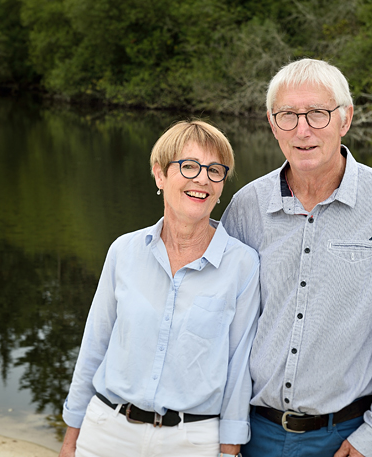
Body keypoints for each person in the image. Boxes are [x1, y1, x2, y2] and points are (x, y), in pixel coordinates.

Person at [220, 58, 372, 457]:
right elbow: (219, 321)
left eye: (318, 114)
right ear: (272, 123)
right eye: (288, 115)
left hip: (344, 438)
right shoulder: (246, 206)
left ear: (345, 118)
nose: (302, 130)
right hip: (248, 434)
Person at [59, 120, 260, 457]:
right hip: (107, 432)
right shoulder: (124, 251)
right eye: (189, 166)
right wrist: (70, 439)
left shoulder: (242, 265)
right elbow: (94, 347)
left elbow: (239, 372)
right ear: (160, 175)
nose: (202, 179)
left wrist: (229, 451)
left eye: (215, 170)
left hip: (192, 442)